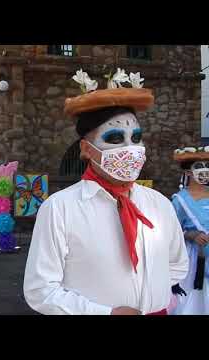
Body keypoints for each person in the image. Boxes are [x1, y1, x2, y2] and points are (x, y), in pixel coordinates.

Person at [23, 68, 189, 315]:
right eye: (114, 138)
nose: (130, 148)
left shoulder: (159, 204)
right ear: (86, 149)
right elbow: (40, 290)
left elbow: (177, 265)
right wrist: (104, 312)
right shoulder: (60, 209)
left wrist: (150, 295)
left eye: (136, 137)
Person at [170, 146, 209, 314]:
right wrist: (191, 234)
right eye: (199, 166)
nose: (205, 170)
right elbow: (172, 231)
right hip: (194, 258)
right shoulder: (179, 201)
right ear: (187, 172)